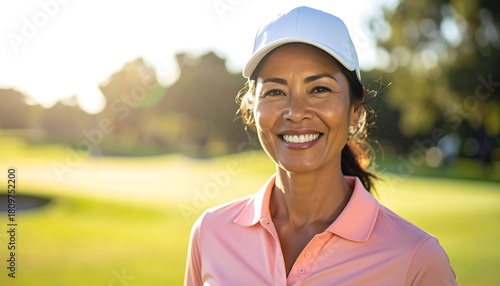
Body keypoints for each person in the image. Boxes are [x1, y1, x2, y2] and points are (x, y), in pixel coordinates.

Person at [184, 6, 457, 285]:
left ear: (355, 109)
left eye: (319, 89)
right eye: (275, 92)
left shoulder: (416, 259)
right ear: (251, 111)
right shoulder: (210, 233)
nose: (295, 111)